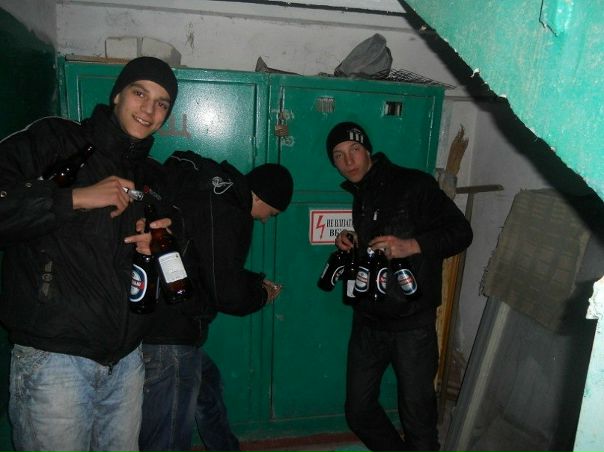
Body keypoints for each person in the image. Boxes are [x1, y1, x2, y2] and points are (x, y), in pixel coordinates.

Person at [0, 56, 178, 452]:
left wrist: (158, 243)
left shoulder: (151, 176)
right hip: (54, 361)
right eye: (139, 93)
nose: (149, 109)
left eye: (162, 103)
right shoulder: (57, 140)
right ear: (117, 95)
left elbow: (163, 256)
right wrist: (75, 198)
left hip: (126, 361)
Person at [325, 121, 473, 452]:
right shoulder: (361, 192)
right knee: (359, 411)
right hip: (368, 320)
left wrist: (412, 246)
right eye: (339, 155)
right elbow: (382, 238)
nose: (348, 161)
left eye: (354, 150)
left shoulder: (414, 184)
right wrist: (354, 240)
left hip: (411, 326)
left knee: (418, 420)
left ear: (368, 150)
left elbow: (461, 232)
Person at [139, 150, 294, 452]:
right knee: (167, 438)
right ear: (261, 197)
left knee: (208, 391)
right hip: (172, 331)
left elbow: (210, 264)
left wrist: (254, 282)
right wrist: (262, 295)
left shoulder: (215, 195)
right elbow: (227, 293)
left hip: (167, 320)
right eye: (272, 213)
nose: (266, 220)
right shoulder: (231, 212)